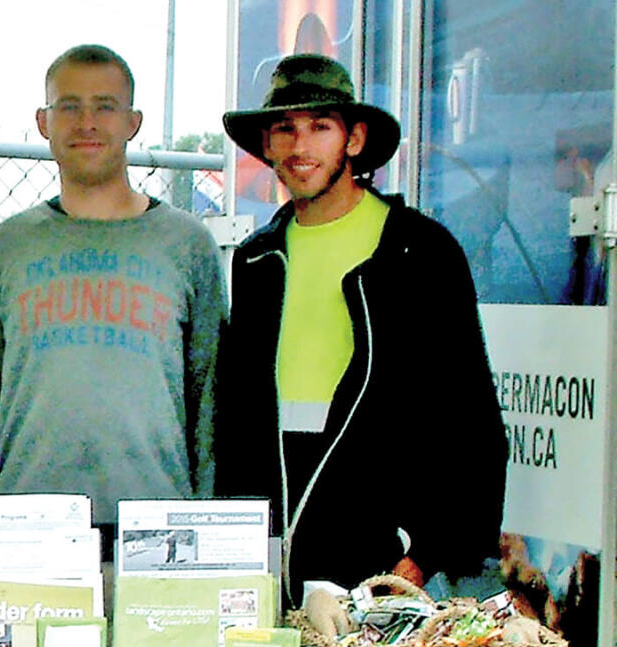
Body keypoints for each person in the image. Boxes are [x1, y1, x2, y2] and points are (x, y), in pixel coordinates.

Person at [214, 54, 505, 605]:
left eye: (320, 127)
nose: (301, 147)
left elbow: (473, 421)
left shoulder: (419, 250)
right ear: (268, 145)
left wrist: (423, 556)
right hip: (275, 533)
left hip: (383, 541)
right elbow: (239, 419)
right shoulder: (254, 260)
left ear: (354, 139)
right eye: (285, 129)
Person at [0, 45, 226, 556]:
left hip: (154, 525)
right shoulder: (8, 244)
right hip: (27, 523)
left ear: (134, 122)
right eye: (69, 106)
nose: (87, 122)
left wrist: (207, 531)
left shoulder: (187, 245)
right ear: (42, 121)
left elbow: (210, 401)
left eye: (105, 106)